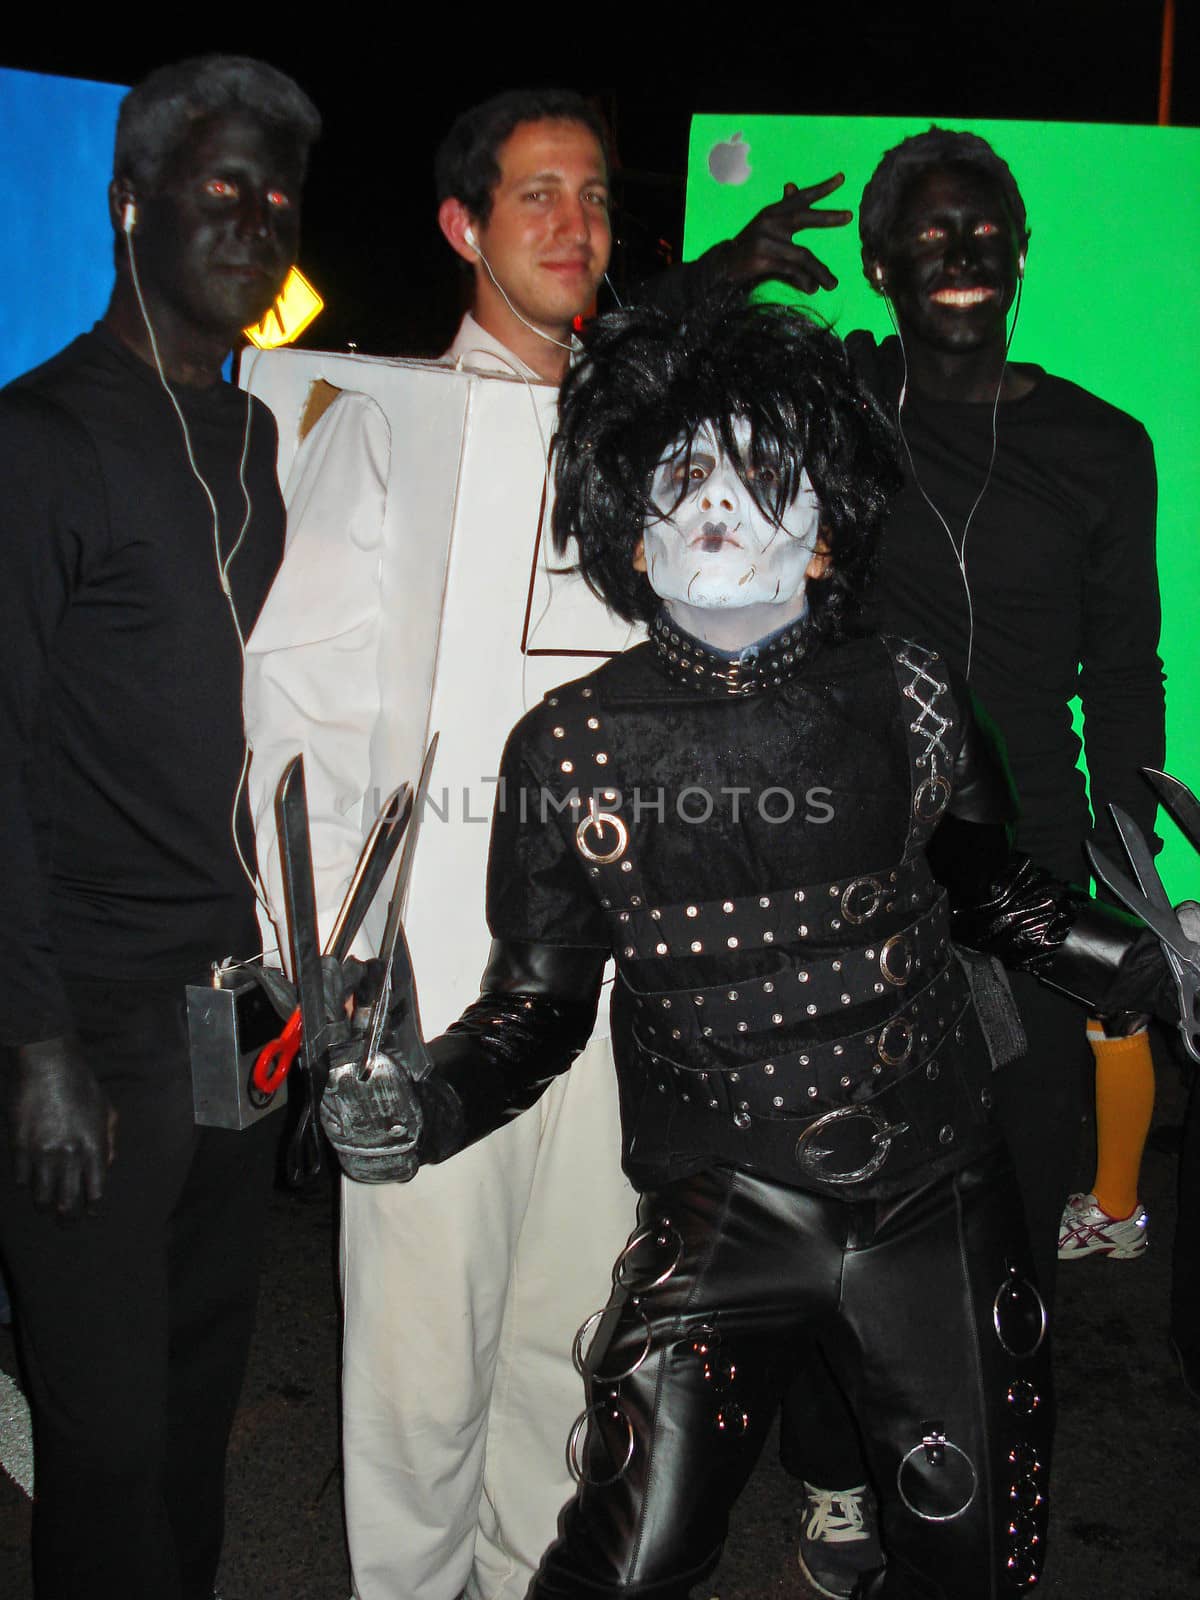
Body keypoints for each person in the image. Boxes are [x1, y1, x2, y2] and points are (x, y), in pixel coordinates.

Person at [316, 291, 1180, 1600]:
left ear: (826, 532)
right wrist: (424, 1109)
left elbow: (996, 900)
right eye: (683, 472)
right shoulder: (571, 751)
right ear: (630, 532)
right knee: (619, 1556)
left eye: (759, 470)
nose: (718, 500)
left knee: (978, 1560)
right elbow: (533, 1014)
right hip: (724, 1209)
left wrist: (1154, 970)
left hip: (936, 1202)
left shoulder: (914, 696)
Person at [651, 128, 1164, 1595]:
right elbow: (634, 390)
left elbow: (1125, 684)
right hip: (847, 879)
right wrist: (722, 278)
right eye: (928, 233)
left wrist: (1136, 897)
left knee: (1008, 1209)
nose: (962, 251)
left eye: (986, 227)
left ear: (1019, 255)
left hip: (1028, 897)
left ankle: (976, 1502)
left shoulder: (1102, 446)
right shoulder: (838, 408)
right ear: (881, 265)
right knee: (826, 1201)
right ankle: (834, 1471)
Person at [244, 90, 636, 1600]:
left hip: (613, 996)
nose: (571, 225)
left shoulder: (658, 437)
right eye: (533, 196)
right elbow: (298, 708)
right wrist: (331, 979)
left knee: (574, 1341)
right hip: (437, 982)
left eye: (592, 194)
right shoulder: (392, 430)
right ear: (465, 227)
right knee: (419, 1362)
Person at [0, 55, 319, 1600]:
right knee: (108, 1440)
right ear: (131, 207)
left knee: (198, 1406)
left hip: (233, 1014)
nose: (255, 221)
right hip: (93, 1023)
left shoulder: (254, 446)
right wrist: (36, 1043)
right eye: (220, 189)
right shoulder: (40, 437)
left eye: (275, 198)